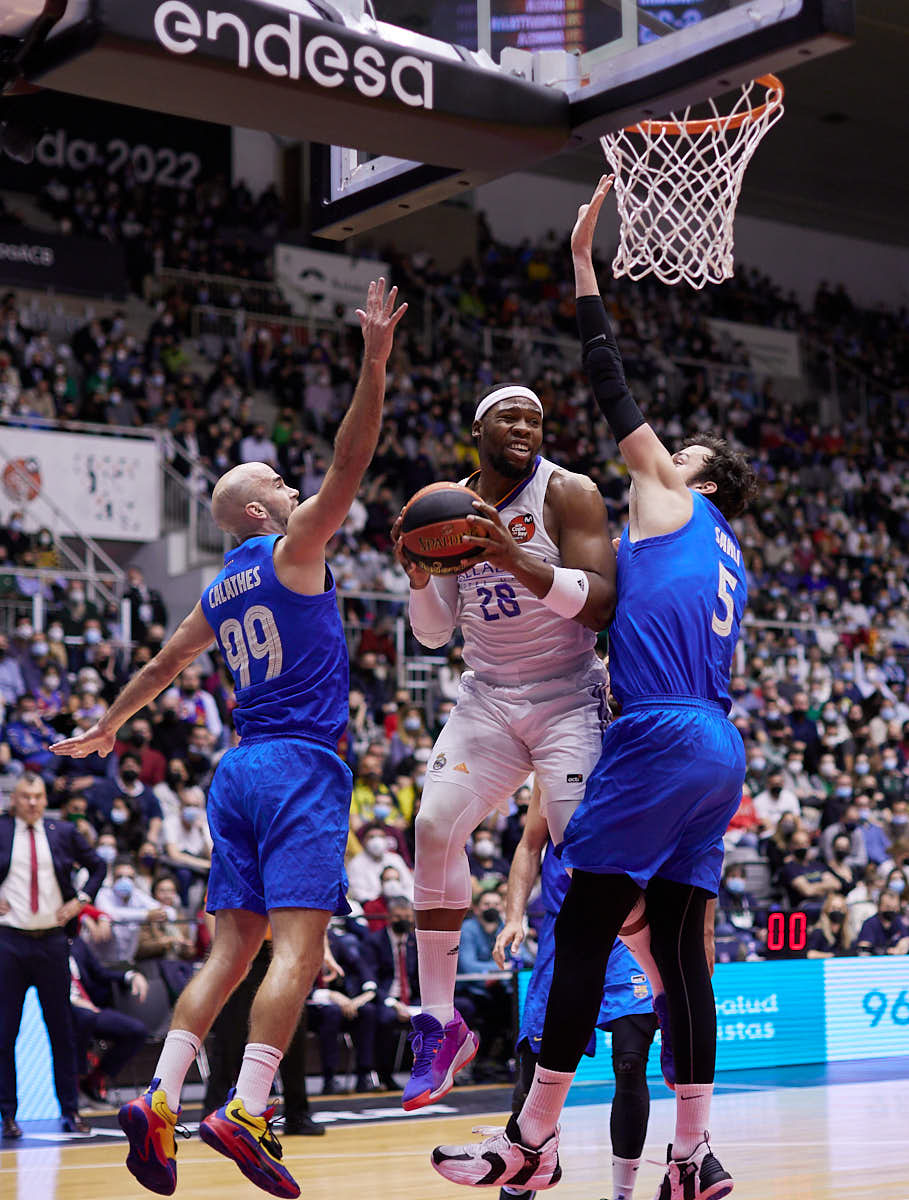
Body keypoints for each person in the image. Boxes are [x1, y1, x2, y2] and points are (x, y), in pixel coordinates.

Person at [431, 175, 757, 1200]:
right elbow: (624, 611)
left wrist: (582, 268)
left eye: (680, 453)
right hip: (716, 748)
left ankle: (529, 1141)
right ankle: (694, 1156)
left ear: (693, 475)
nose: (660, 457)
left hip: (658, 737)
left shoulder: (669, 496)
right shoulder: (730, 554)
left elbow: (609, 382)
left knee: (579, 928)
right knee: (679, 950)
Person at [51, 278, 406, 1199]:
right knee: (296, 946)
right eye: (280, 488)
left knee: (228, 950)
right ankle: (246, 1107)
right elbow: (352, 460)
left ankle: (162, 1098)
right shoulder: (293, 554)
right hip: (298, 766)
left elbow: (163, 667)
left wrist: (108, 725)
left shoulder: (219, 590)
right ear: (258, 512)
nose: (296, 492)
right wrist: (372, 359)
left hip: (237, 770)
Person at [391, 344, 663, 1113]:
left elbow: (602, 605)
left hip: (568, 694)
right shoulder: (444, 506)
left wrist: (513, 558)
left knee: (588, 862)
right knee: (434, 823)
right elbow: (434, 634)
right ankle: (440, 1024)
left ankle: (661, 979)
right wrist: (419, 578)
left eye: (536, 418)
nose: (526, 426)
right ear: (478, 429)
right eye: (510, 415)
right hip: (487, 697)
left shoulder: (566, 493)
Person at [492, 784, 657, 1200]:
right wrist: (514, 916)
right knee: (535, 1066)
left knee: (631, 1063)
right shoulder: (555, 766)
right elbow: (530, 846)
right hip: (563, 930)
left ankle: (623, 1194)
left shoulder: (643, 757)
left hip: (629, 931)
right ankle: (519, 1184)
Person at [0, 772, 105, 1138]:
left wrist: (81, 901)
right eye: (26, 796)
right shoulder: (1, 830)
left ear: (46, 799)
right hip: (8, 942)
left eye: (39, 796)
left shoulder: (62, 832)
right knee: (4, 1032)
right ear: (14, 799)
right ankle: (8, 1115)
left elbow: (99, 866)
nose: (32, 803)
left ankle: (71, 1111)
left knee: (62, 1029)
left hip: (52, 942)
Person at [68, 933, 150, 1102]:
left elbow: (100, 972)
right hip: (59, 1009)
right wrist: (71, 1000)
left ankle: (93, 1080)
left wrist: (130, 976)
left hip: (89, 1008)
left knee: (136, 1031)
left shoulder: (76, 942)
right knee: (85, 1017)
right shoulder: (37, 944)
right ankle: (74, 1081)